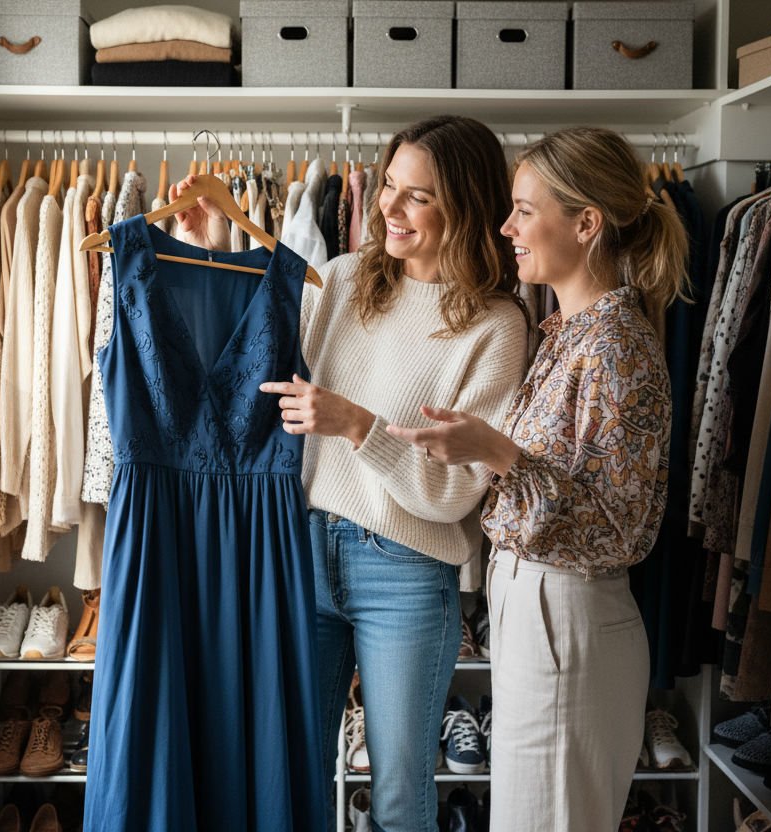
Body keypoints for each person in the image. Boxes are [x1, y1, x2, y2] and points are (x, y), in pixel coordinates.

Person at [170, 115, 530, 831]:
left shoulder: (496, 325)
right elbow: (243, 374)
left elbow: (457, 492)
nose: (388, 210)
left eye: (416, 197)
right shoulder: (338, 279)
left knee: (399, 797)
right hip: (302, 553)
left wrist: (360, 427)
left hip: (406, 572)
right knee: (288, 778)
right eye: (389, 187)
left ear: (465, 207)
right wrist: (203, 251)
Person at [388, 126, 686, 832]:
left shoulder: (617, 347)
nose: (504, 226)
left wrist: (500, 454)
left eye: (524, 209)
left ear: (586, 224)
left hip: (570, 620)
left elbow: (621, 529)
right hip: (536, 616)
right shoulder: (564, 333)